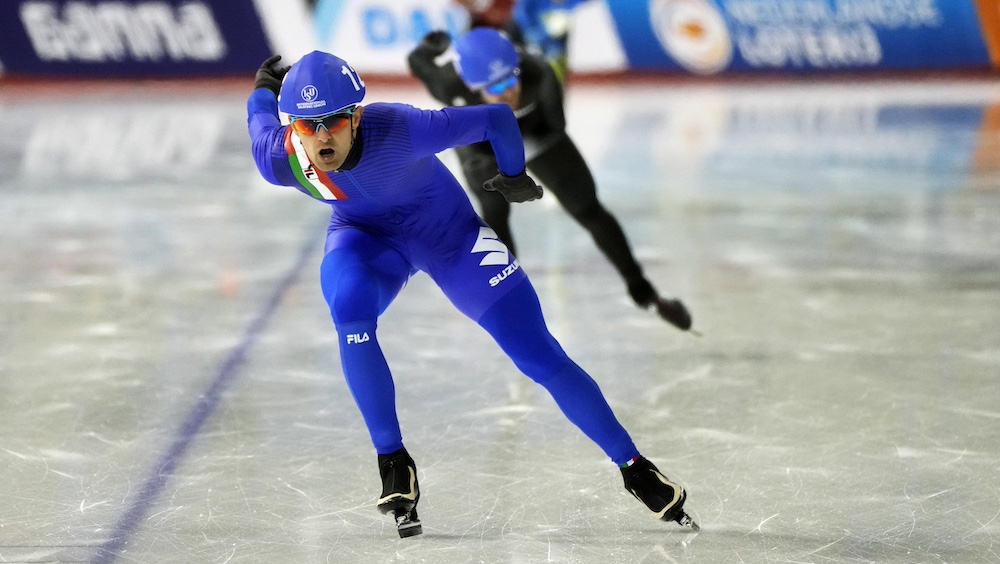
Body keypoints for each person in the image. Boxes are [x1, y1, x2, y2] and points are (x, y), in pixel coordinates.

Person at [247, 51, 698, 537]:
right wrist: (263, 88)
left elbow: (497, 118)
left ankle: (634, 466)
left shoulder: (402, 128)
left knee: (537, 354)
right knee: (350, 307)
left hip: (450, 237)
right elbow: (258, 120)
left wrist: (514, 174)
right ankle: (393, 461)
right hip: (365, 238)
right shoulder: (281, 159)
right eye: (306, 125)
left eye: (332, 122)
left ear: (356, 115)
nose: (320, 137)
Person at [407, 27, 694, 332]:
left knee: (587, 209)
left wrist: (515, 167)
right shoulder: (449, 84)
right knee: (495, 215)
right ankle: (509, 309)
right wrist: (427, 48)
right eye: (496, 87)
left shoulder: (539, 73)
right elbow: (419, 64)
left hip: (536, 133)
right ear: (472, 87)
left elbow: (556, 127)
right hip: (484, 146)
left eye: (510, 79)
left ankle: (644, 291)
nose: (508, 92)